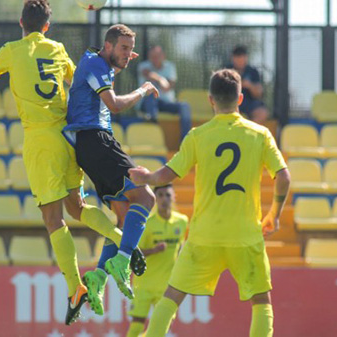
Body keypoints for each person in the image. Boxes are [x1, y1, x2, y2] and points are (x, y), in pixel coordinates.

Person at [0, 0, 143, 325]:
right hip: (68, 137)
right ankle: (121, 240)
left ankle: (76, 288)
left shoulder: (11, 50)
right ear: (47, 25)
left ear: (21, 23)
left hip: (40, 141)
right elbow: (84, 78)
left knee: (53, 218)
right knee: (77, 208)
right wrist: (119, 61)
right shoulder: (58, 49)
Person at [129, 69, 291, 337]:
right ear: (240, 99)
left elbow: (167, 174)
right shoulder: (260, 134)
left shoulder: (197, 135)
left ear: (210, 100)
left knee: (171, 297)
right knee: (261, 302)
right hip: (246, 235)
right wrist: (274, 213)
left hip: (205, 236)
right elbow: (284, 177)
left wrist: (147, 176)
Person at [64, 24, 159, 315]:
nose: (128, 54)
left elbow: (101, 83)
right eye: (123, 48)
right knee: (146, 198)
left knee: (121, 219)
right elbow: (114, 105)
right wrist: (143, 89)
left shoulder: (96, 62)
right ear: (107, 46)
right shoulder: (96, 64)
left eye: (131, 49)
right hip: (96, 139)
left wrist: (122, 60)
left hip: (89, 145)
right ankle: (124, 258)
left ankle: (97, 278)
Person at [126, 185, 188, 337]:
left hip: (167, 285)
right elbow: (133, 253)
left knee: (162, 326)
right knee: (136, 326)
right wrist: (154, 250)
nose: (164, 199)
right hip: (144, 284)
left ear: (173, 197)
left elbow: (181, 247)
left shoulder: (182, 221)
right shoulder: (147, 224)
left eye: (168, 195)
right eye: (160, 195)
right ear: (155, 199)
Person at [138, 45, 191, 139]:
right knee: (151, 96)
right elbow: (147, 74)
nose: (154, 59)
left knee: (184, 106)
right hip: (147, 103)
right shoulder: (143, 66)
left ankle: (185, 139)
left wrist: (160, 81)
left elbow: (168, 87)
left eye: (157, 56)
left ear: (163, 56)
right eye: (152, 56)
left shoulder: (170, 66)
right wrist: (161, 79)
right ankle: (153, 131)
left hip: (166, 103)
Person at [228, 45, 268, 125]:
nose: (240, 60)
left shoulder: (253, 72)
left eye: (242, 57)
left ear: (246, 57)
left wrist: (250, 86)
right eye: (237, 57)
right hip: (230, 102)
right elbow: (219, 91)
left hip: (249, 102)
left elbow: (258, 94)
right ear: (233, 58)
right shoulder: (226, 70)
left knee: (262, 113)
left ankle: (247, 133)